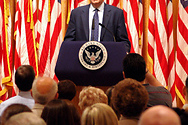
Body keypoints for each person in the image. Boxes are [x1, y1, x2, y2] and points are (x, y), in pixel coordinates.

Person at [64, 0, 131, 53]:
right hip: (82, 61)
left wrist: (123, 53)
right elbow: (69, 40)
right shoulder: (76, 13)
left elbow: (124, 42)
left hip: (108, 62)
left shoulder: (116, 13)